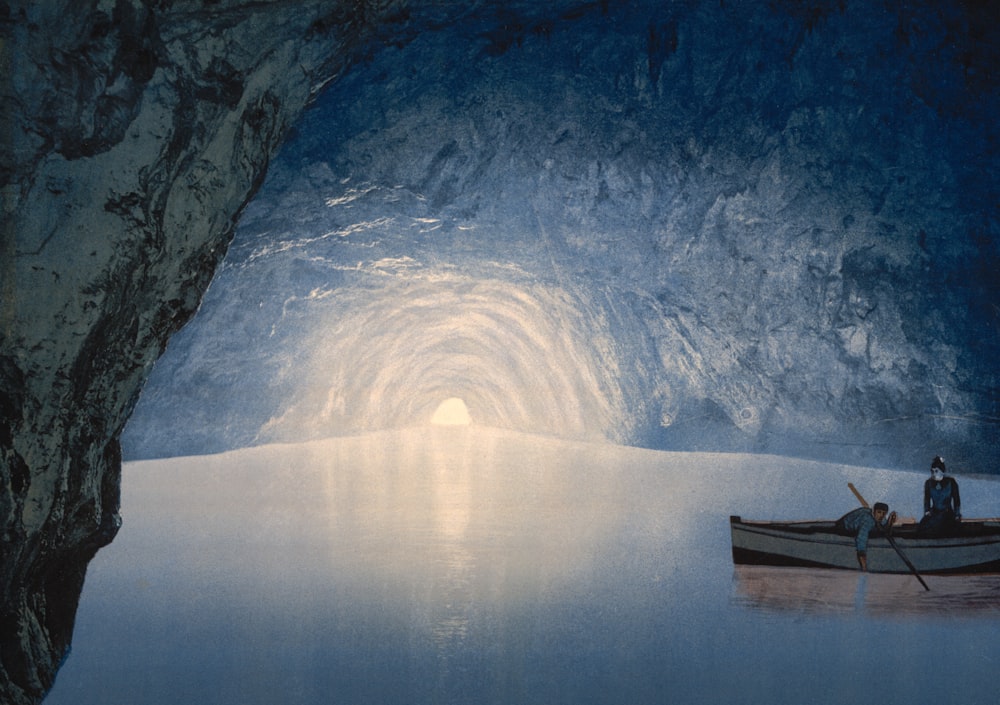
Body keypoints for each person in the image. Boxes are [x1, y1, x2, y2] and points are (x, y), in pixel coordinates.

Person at [835, 502, 896, 571]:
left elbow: (885, 530)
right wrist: (864, 567)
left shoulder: (881, 519)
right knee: (865, 534)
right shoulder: (867, 521)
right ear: (874, 511)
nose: (881, 516)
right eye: (879, 512)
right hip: (843, 526)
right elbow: (861, 540)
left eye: (884, 513)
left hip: (861, 525)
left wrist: (890, 522)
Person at [918, 455, 961, 536]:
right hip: (934, 512)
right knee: (922, 528)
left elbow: (956, 500)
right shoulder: (929, 483)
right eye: (932, 471)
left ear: (942, 471)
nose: (933, 474)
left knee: (946, 530)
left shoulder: (951, 482)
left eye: (936, 471)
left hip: (947, 514)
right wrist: (927, 511)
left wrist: (957, 514)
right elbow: (926, 500)